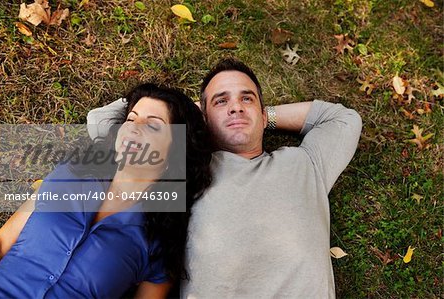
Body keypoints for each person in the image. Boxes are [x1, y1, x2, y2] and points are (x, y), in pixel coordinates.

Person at [87, 58, 362, 298]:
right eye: (221, 101)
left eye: (247, 98)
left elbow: (343, 119)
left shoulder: (306, 163)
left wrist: (268, 116)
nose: (236, 108)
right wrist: (184, 112)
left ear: (263, 114)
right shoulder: (183, 168)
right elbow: (101, 121)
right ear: (202, 118)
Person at [0, 83, 212, 298]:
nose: (134, 127)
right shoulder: (69, 175)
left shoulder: (161, 240)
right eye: (131, 119)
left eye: (153, 126)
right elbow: (1, 243)